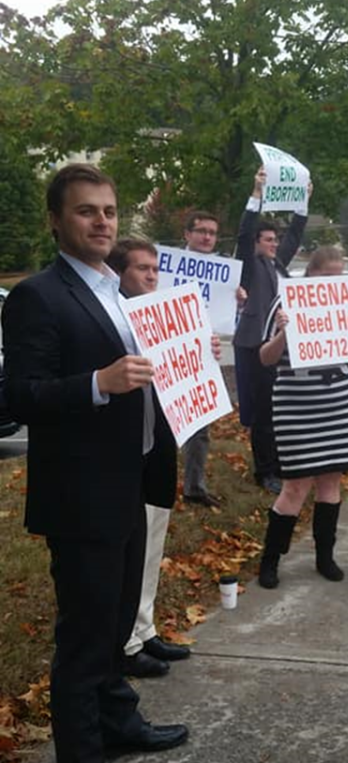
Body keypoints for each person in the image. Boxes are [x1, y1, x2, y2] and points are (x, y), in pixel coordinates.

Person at [2, 164, 187, 763]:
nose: (102, 222)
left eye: (108, 210)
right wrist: (98, 384)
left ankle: (118, 719)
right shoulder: (37, 297)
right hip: (80, 495)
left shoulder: (120, 291)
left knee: (114, 622)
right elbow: (18, 394)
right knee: (82, 645)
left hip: (128, 481)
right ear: (56, 220)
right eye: (86, 212)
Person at [106, 238, 193, 679]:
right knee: (130, 546)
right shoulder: (110, 316)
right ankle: (125, 642)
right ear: (119, 273)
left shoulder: (163, 316)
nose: (151, 276)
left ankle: (145, 627)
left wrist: (202, 355)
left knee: (153, 538)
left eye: (155, 269)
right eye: (141, 269)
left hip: (159, 441)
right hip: (125, 450)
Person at [257, 246, 348, 588]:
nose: (334, 283)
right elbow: (264, 358)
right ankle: (271, 559)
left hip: (340, 401)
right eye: (327, 276)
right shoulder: (285, 302)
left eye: (339, 276)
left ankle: (325, 556)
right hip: (297, 405)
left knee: (331, 481)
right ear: (311, 276)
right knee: (295, 485)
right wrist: (285, 332)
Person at [234, 168, 309, 493]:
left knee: (278, 408)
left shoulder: (277, 264)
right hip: (254, 345)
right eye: (268, 240)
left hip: (277, 346)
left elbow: (294, 237)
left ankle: (278, 466)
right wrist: (256, 194)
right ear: (256, 244)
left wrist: (303, 201)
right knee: (264, 410)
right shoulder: (249, 263)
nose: (275, 244)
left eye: (275, 240)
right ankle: (264, 471)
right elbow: (243, 234)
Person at [181, 210, 222, 507]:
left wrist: (237, 298)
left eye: (212, 232)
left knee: (200, 428)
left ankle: (194, 487)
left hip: (204, 356)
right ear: (187, 235)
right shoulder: (166, 267)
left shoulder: (221, 273)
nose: (207, 237)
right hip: (167, 356)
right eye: (201, 231)